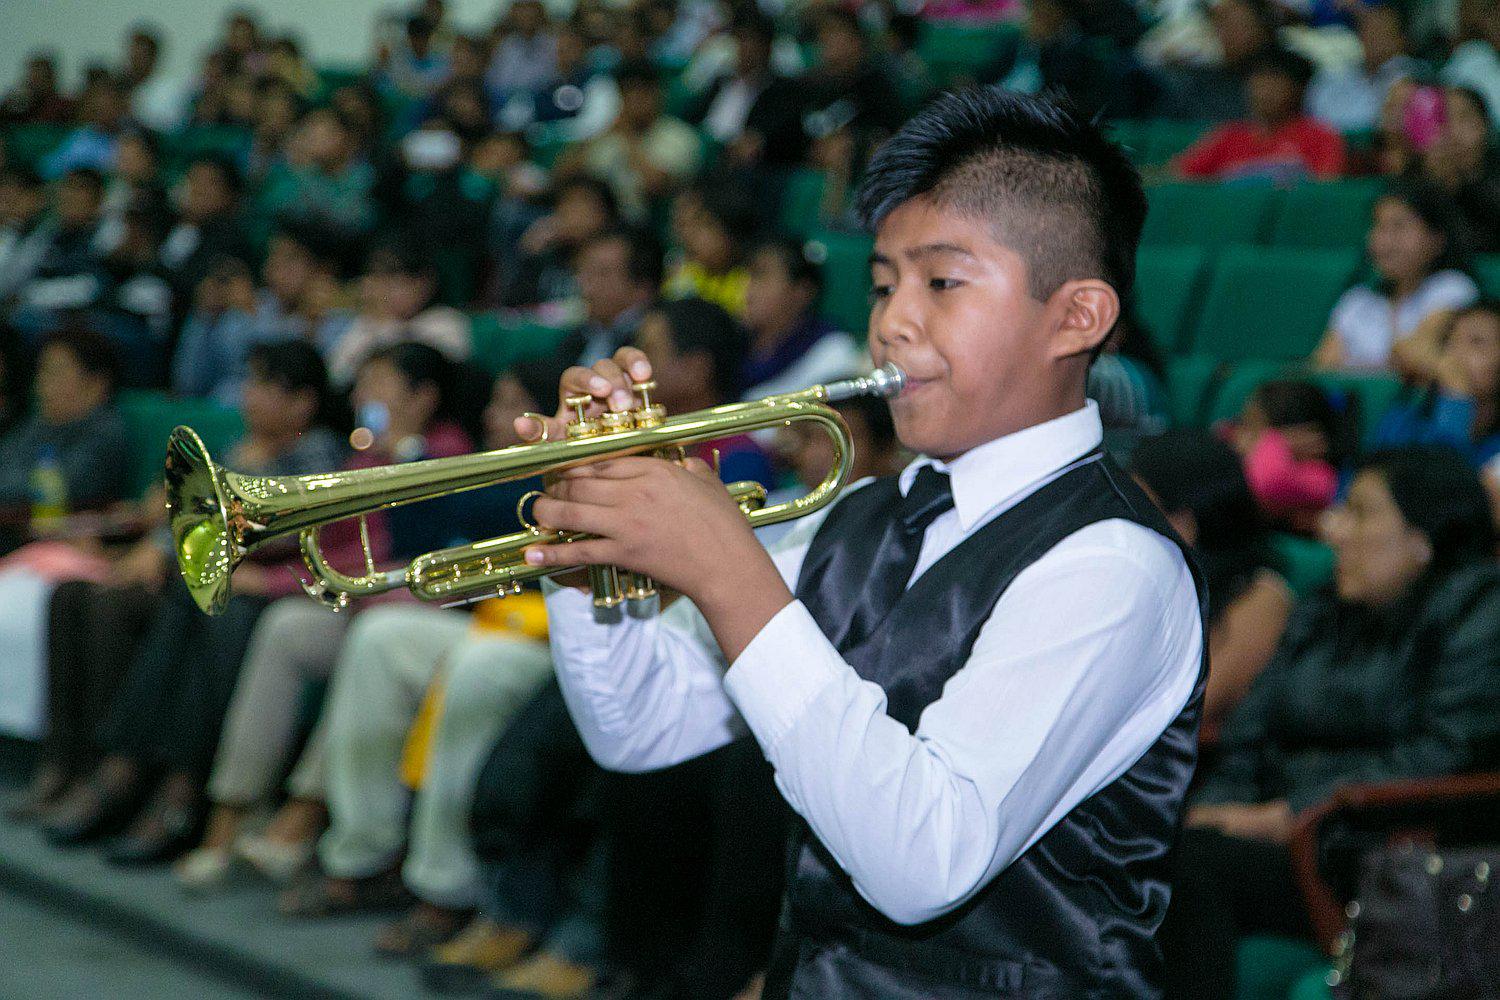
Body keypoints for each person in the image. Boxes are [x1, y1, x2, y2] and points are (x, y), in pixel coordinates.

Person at [522, 88, 1207, 997]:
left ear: (1076, 316)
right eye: (884, 285)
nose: (891, 322)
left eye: (941, 283)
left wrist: (729, 572)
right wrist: (589, 542)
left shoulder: (1114, 564)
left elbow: (925, 861)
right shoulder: (858, 516)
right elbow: (640, 727)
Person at [1159, 446, 1500, 1000]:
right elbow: (1249, 734)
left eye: (1360, 513)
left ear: (1423, 539)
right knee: (1143, 845)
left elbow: (1444, 755)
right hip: (1283, 838)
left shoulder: (1481, 615)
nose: (1333, 530)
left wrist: (1286, 814)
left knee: (1189, 864)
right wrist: (1219, 807)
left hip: (1378, 848)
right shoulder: (1323, 610)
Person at [38, 342, 348, 865]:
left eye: (263, 386)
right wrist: (156, 542)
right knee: (82, 597)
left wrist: (176, 544)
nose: (249, 396)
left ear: (302, 402)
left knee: (209, 607)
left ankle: (173, 784)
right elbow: (182, 511)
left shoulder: (318, 452)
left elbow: (275, 531)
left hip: (271, 588)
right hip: (202, 574)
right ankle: (86, 764)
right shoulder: (237, 445)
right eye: (249, 383)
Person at [1131, 430, 1290, 745]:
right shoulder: (1142, 581)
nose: (1127, 521)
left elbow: (1196, 707)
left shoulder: (1261, 597)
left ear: (1185, 521)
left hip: (1195, 761)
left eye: (1141, 506)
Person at [1316, 180, 1480, 370]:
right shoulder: (1357, 300)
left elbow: (1413, 354)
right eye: (1379, 226)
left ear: (1437, 239)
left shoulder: (1453, 288)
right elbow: (1323, 370)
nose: (1385, 241)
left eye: (1399, 227)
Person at [1173, 48, 1346, 182]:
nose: (1265, 92)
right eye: (1259, 80)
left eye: (1275, 82)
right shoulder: (1228, 136)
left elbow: (1325, 190)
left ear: (1298, 89)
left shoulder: (1320, 136)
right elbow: (1175, 177)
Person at [739, 237, 864, 400]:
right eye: (747, 276)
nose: (747, 288)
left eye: (761, 276)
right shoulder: (734, 344)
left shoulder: (831, 351)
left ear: (801, 291)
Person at [326, 245, 470, 386]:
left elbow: (417, 374)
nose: (381, 293)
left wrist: (383, 326)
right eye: (378, 283)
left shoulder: (447, 323)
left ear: (423, 284)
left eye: (392, 284)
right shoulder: (369, 322)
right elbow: (337, 374)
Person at [1379, 300, 1500, 468]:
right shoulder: (1409, 416)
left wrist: (1457, 396)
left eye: (1477, 342)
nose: (1456, 354)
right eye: (1450, 341)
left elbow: (1445, 473)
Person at [1306, 3, 1420, 133]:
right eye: (1368, 29)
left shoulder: (1411, 77)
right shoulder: (1335, 76)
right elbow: (1314, 115)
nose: (1373, 38)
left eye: (1381, 31)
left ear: (1401, 39)